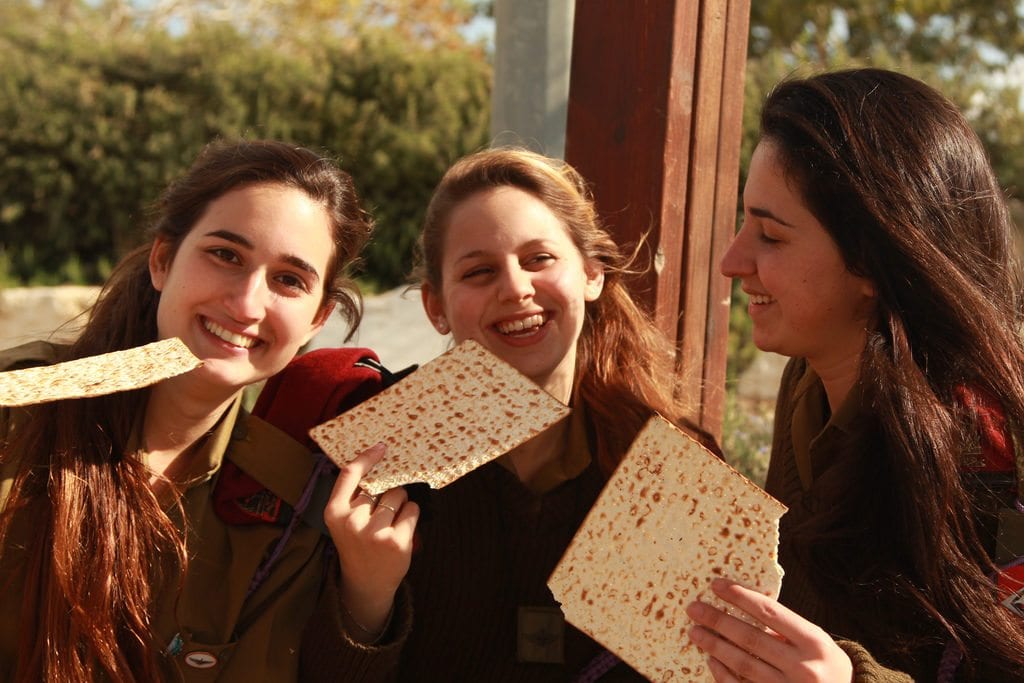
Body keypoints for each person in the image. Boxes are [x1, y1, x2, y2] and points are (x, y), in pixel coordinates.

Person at [282, 147, 719, 681]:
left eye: (539, 259)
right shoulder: (373, 460)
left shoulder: (677, 471)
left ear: (592, 274)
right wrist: (364, 597)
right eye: (479, 271)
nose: (515, 288)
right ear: (435, 307)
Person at [0, 138, 383, 682]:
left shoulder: (287, 508)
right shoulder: (16, 414)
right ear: (162, 261)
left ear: (317, 320)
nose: (248, 304)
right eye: (226, 255)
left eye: (288, 281)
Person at [686, 68, 1024, 682]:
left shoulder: (993, 450)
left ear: (873, 260)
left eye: (769, 235)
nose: (733, 262)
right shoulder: (807, 384)